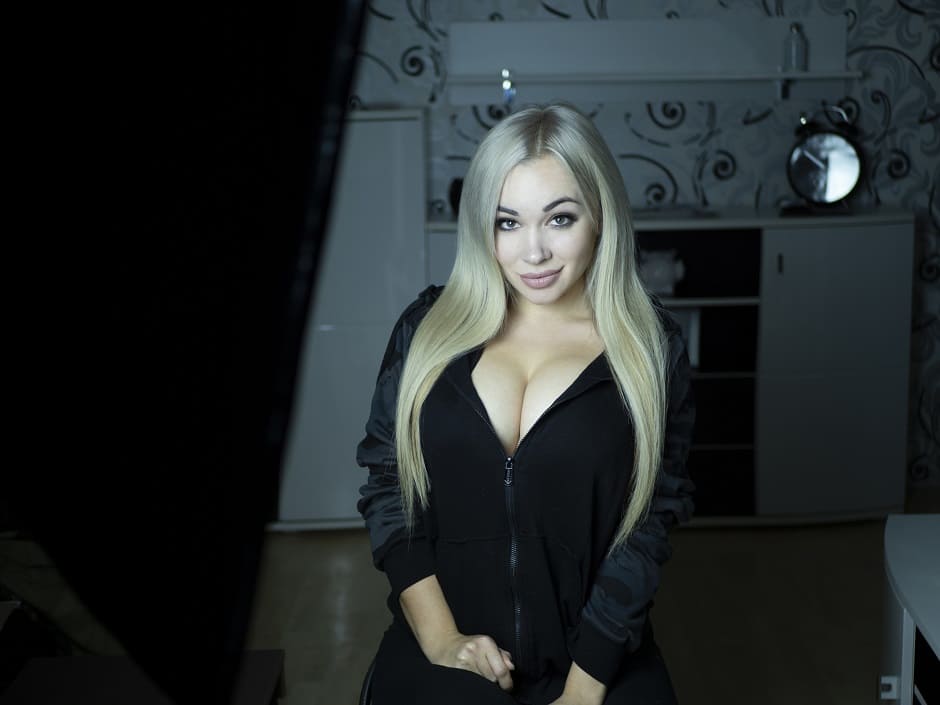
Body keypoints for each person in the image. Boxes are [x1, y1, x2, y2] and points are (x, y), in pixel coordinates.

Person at [356, 103, 695, 705]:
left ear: (600, 216)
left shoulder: (651, 349)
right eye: (507, 222)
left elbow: (647, 528)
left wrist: (585, 687)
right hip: (445, 641)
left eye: (559, 218)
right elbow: (388, 486)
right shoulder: (426, 330)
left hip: (597, 655)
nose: (532, 252)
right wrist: (441, 639)